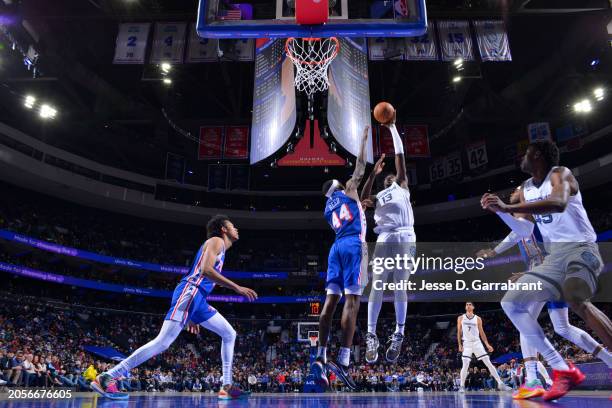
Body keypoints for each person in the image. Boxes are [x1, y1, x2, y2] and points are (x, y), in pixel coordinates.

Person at [482, 140, 609, 400]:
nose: (521, 157)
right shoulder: (526, 189)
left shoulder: (560, 174)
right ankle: (562, 369)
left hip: (580, 248)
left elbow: (559, 202)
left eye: (526, 152)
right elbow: (525, 230)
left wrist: (508, 207)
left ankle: (536, 376)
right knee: (512, 303)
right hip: (553, 258)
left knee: (575, 300)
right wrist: (500, 212)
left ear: (537, 155)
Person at [91, 215, 257, 400]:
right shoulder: (216, 240)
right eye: (232, 225)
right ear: (223, 229)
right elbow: (205, 270)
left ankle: (226, 385)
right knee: (163, 342)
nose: (236, 229)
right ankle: (107, 376)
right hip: (190, 292)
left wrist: (193, 315)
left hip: (198, 299)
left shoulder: (221, 248)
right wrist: (236, 287)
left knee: (229, 333)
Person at [310, 126, 371, 391]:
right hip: (353, 244)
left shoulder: (327, 208)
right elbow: (359, 169)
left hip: (334, 248)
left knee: (330, 302)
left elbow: (360, 202)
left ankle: (321, 353)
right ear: (339, 186)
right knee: (353, 301)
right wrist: (363, 142)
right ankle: (344, 359)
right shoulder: (348, 191)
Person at [360, 110, 415, 363]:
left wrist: (392, 128)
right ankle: (371, 335)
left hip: (405, 236)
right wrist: (372, 173)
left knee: (400, 286)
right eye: (387, 176)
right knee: (378, 285)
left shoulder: (402, 186)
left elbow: (401, 157)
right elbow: (363, 199)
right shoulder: (380, 196)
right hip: (385, 239)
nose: (391, 176)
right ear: (384, 182)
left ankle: (400, 333)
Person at [457, 302, 511, 392]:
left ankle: (500, 384)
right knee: (465, 364)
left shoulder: (478, 318)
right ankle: (462, 386)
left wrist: (487, 344)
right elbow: (459, 332)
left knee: (488, 362)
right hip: (466, 343)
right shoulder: (460, 318)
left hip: (477, 342)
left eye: (470, 304)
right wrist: (459, 344)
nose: (468, 306)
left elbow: (482, 333)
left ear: (473, 307)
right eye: (466, 304)